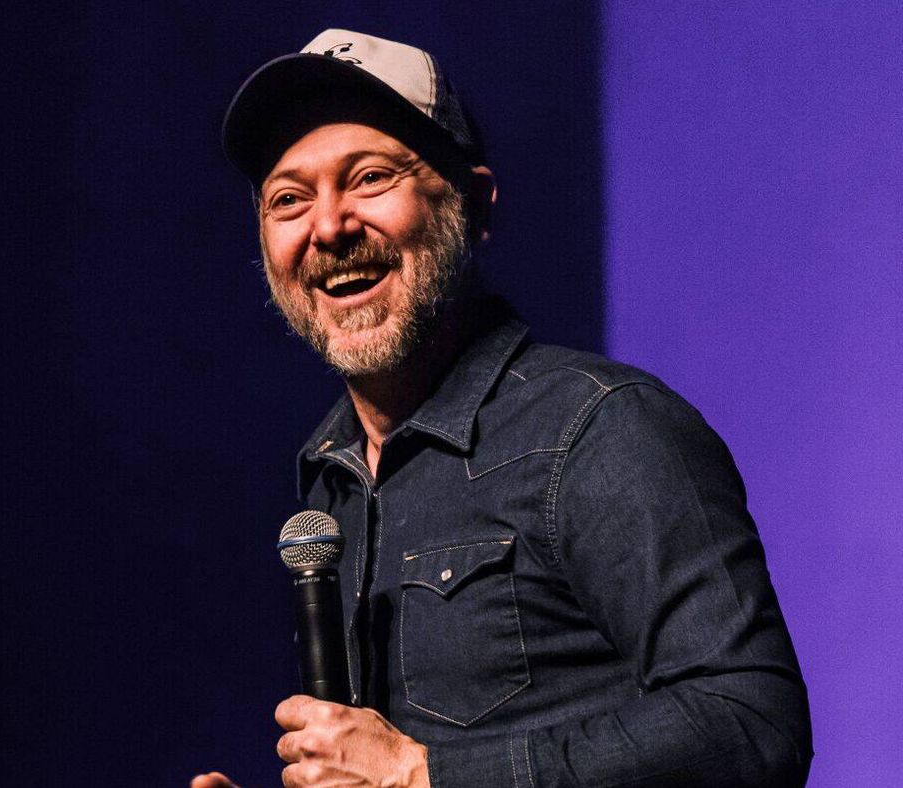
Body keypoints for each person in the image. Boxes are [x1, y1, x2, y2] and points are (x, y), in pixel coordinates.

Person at [193, 30, 812, 788]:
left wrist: (428, 775)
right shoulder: (331, 477)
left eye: (371, 178)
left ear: (474, 205)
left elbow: (754, 725)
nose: (328, 227)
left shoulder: (601, 429)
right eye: (289, 199)